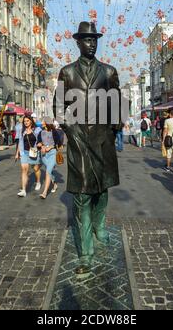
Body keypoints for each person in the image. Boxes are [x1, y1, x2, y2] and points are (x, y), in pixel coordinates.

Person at [54, 21, 121, 275]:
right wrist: (70, 131)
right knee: (82, 195)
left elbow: (117, 103)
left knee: (102, 188)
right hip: (78, 139)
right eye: (87, 40)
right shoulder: (67, 72)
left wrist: (113, 130)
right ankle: (85, 253)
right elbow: (58, 106)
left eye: (94, 39)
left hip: (103, 140)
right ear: (78, 42)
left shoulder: (110, 71)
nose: (91, 43)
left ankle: (100, 226)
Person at [15, 115, 42, 197]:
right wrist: (17, 153)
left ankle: (38, 182)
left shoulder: (37, 130)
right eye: (24, 121)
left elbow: (41, 139)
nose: (26, 122)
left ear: (31, 121)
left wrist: (40, 145)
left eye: (27, 121)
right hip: (24, 153)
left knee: (35, 169)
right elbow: (20, 142)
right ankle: (23, 190)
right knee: (24, 170)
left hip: (34, 152)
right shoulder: (22, 130)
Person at [38, 118, 63, 200]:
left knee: (48, 172)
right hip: (44, 155)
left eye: (43, 121)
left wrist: (50, 147)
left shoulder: (54, 131)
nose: (42, 122)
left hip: (52, 153)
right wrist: (41, 145)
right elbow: (38, 142)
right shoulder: (41, 132)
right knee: (49, 171)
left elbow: (58, 142)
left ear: (47, 122)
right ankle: (54, 183)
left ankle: (44, 192)